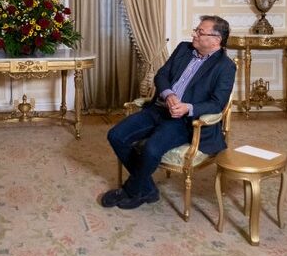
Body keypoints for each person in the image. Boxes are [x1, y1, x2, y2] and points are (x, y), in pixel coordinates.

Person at [101, 15, 236, 209]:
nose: (194, 34)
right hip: (158, 108)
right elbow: (161, 75)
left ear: (216, 40)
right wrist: (169, 94)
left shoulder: (225, 67)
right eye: (196, 30)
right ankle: (147, 188)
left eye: (200, 32)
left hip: (183, 121)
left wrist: (187, 108)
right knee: (116, 135)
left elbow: (217, 103)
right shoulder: (183, 48)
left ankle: (131, 190)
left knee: (151, 149)